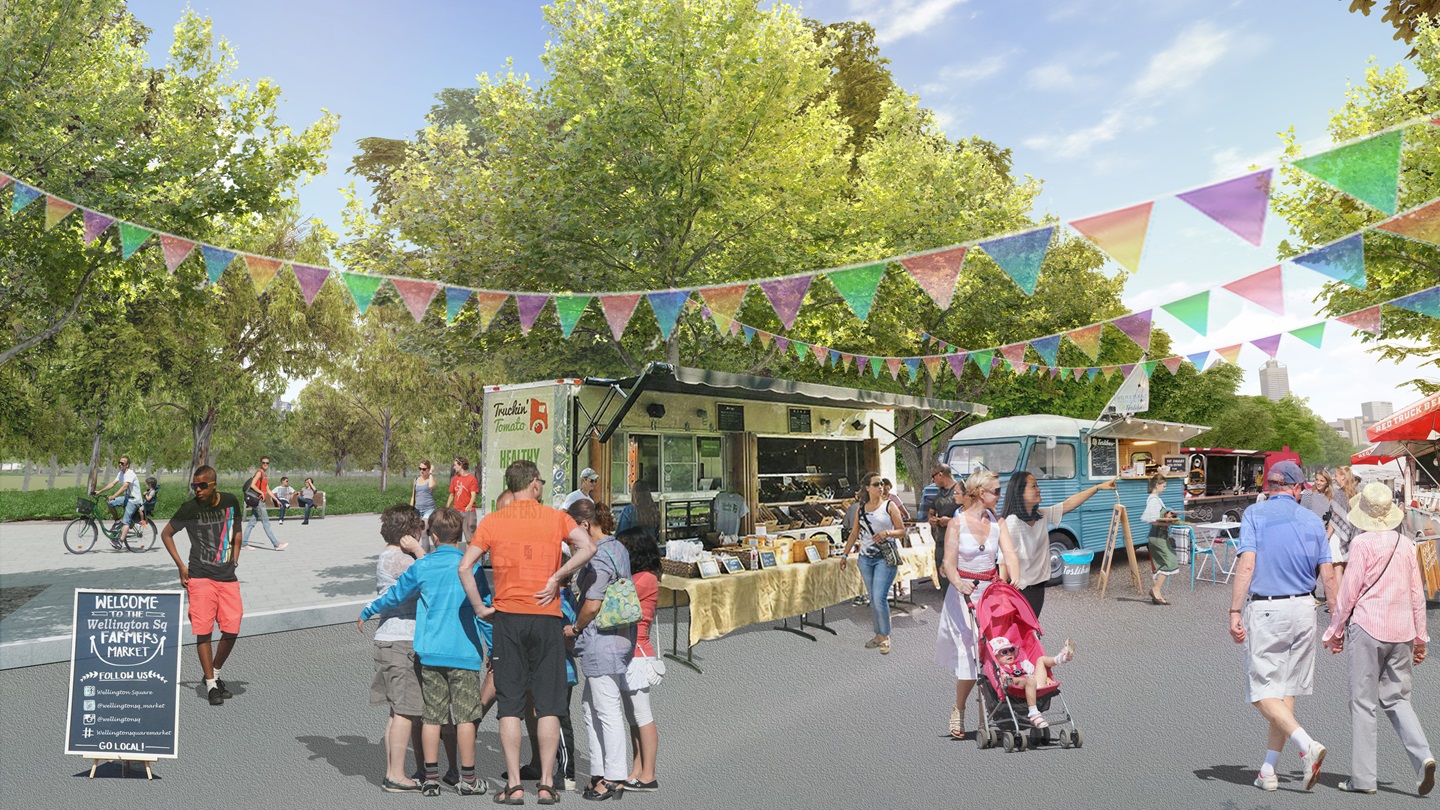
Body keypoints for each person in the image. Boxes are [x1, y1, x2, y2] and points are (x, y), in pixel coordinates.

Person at [461, 459, 595, 806]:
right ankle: (548, 784)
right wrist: (557, 577)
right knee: (549, 705)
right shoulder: (556, 517)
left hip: (507, 618)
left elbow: (465, 566)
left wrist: (480, 607)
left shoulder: (493, 521)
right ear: (534, 484)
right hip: (547, 617)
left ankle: (516, 786)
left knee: (510, 707)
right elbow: (589, 547)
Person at [358, 507, 489, 797]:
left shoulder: (422, 566)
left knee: (431, 716)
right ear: (463, 534)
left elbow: (394, 594)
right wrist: (492, 645)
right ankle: (467, 778)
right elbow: (484, 609)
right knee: (465, 716)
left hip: (429, 652)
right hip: (464, 651)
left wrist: (368, 609)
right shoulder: (472, 566)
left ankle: (430, 777)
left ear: (432, 534)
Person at [1228, 460, 1337, 793]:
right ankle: (1268, 771)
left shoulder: (1254, 515)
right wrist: (1337, 617)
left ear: (1270, 486)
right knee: (1284, 691)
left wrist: (1234, 609)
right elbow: (1328, 573)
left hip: (1267, 608)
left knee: (1261, 691)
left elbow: (1247, 564)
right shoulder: (1313, 520)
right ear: (1296, 488)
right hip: (1305, 608)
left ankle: (1306, 745)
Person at [1321, 482, 1435, 796]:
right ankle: (1422, 755)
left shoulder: (1361, 544)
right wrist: (1421, 638)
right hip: (1402, 631)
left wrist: (1335, 631)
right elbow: (1417, 595)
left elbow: (1349, 592)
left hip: (1369, 627)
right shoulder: (1406, 544)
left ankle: (1364, 779)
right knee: (1398, 700)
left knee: (1362, 704)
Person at [934, 470, 1018, 740]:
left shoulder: (998, 521)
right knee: (970, 655)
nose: (1000, 495)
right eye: (996, 491)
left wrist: (1015, 581)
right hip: (964, 595)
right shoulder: (956, 523)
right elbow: (948, 564)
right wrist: (959, 584)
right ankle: (959, 707)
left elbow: (1010, 554)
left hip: (992, 594)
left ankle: (991, 713)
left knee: (996, 654)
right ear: (982, 493)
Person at [565, 498, 635, 801]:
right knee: (591, 706)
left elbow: (592, 604)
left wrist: (575, 628)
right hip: (620, 637)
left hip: (600, 639)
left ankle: (614, 777)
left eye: (571, 533)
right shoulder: (617, 547)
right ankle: (600, 770)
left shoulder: (596, 557)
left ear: (583, 525)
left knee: (605, 709)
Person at [159, 465, 243, 706]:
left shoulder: (230, 502)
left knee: (232, 627)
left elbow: (237, 530)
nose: (197, 490)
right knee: (203, 630)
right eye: (194, 485)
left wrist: (235, 559)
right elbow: (166, 534)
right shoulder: (189, 509)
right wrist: (180, 566)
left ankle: (215, 673)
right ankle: (210, 685)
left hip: (227, 576)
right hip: (200, 576)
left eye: (202, 485)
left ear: (214, 484)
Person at [365, 505, 430, 793]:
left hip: (392, 639)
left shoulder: (390, 557)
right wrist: (419, 551)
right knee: (405, 711)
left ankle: (394, 770)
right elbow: (430, 576)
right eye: (420, 527)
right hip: (401, 640)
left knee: (397, 713)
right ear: (410, 531)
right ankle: (395, 775)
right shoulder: (398, 559)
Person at [1000, 472, 1117, 616]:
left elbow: (1068, 504)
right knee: (1023, 634)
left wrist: (1097, 487)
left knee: (1031, 631)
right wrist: (1004, 597)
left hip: (1037, 588)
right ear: (1020, 492)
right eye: (1033, 486)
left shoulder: (1040, 516)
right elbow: (1003, 562)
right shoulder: (1012, 523)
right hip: (1021, 591)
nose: (1039, 489)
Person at [839, 472, 908, 654]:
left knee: (879, 598)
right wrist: (845, 555)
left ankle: (885, 636)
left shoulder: (889, 506)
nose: (880, 487)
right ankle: (879, 634)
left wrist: (887, 533)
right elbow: (854, 533)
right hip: (865, 559)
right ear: (867, 488)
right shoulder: (861, 509)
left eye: (881, 484)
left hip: (884, 558)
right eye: (876, 484)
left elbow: (902, 530)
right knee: (873, 599)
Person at [617, 525, 663, 793]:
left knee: (642, 715)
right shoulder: (640, 576)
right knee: (633, 717)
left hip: (638, 654)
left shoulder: (645, 578)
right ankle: (637, 769)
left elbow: (617, 600)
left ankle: (649, 774)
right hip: (630, 653)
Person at [988, 635, 1074, 728]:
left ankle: (1061, 658)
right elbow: (1005, 683)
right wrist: (1019, 680)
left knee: (1041, 660)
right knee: (1030, 681)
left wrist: (1046, 678)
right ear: (995, 657)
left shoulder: (1022, 663)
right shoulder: (1001, 669)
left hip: (1035, 685)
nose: (1009, 653)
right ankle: (1034, 714)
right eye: (1004, 652)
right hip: (1016, 691)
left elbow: (1033, 673)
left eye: (1011, 650)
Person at [1141, 473, 1179, 605]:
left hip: (1157, 536)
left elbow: (1157, 517)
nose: (1165, 488)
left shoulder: (1155, 499)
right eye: (1164, 486)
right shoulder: (1153, 499)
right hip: (1158, 536)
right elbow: (1152, 520)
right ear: (1157, 485)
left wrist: (1168, 516)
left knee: (1159, 564)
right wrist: (1168, 520)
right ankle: (1155, 589)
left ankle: (1157, 594)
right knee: (1169, 561)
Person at [922, 463, 960, 591]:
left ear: (940, 474)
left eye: (934, 476)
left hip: (959, 543)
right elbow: (931, 513)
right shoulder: (938, 494)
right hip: (941, 542)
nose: (933, 480)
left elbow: (971, 516)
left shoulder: (960, 489)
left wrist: (951, 521)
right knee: (944, 582)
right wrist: (932, 520)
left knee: (958, 583)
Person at [95, 455, 141, 549]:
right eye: (119, 463)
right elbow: (112, 484)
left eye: (122, 463)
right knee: (110, 503)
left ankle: (120, 542)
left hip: (134, 500)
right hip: (127, 497)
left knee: (126, 521)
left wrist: (114, 496)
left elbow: (124, 487)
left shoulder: (130, 474)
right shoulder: (121, 473)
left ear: (127, 465)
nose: (120, 464)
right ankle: (116, 521)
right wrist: (100, 491)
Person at [242, 456, 286, 551]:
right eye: (263, 463)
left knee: (251, 523)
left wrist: (276, 499)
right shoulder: (259, 473)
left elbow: (268, 490)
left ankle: (244, 543)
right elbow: (253, 485)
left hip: (260, 502)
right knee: (266, 523)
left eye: (267, 463)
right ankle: (276, 544)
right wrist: (261, 492)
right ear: (260, 463)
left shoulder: (264, 475)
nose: (265, 464)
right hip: (258, 502)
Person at [1329, 465, 1361, 590]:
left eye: (1336, 476)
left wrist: (1326, 536)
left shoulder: (1338, 495)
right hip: (1354, 536)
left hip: (1338, 535)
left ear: (1343, 477)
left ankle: (1339, 602)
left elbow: (1334, 519)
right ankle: (1350, 600)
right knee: (1349, 571)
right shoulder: (1356, 494)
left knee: (1338, 568)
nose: (1334, 478)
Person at [447, 456, 480, 540]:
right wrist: (447, 507)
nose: (454, 467)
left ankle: (468, 553)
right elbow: (452, 495)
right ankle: (457, 553)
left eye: (455, 465)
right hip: (457, 511)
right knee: (455, 537)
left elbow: (473, 495)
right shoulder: (455, 479)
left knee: (470, 537)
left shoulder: (471, 478)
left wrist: (469, 505)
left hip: (468, 511)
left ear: (460, 465)